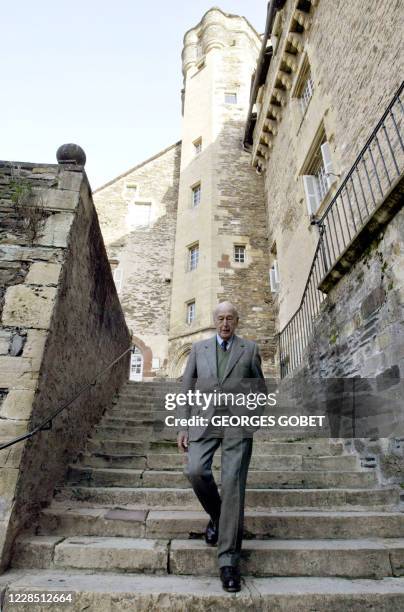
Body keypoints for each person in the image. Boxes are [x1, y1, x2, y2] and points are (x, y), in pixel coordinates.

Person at [177, 301, 266, 592]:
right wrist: (182, 425)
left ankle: (228, 561)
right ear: (214, 320)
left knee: (232, 486)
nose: (225, 323)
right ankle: (218, 517)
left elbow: (260, 390)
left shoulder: (249, 350)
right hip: (203, 422)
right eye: (220, 318)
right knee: (196, 471)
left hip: (237, 427)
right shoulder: (198, 349)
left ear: (237, 321)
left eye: (230, 318)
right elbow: (186, 388)